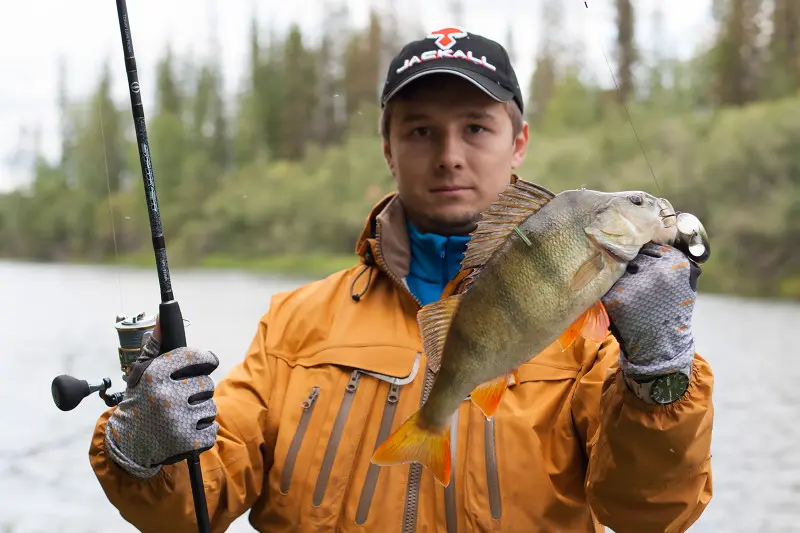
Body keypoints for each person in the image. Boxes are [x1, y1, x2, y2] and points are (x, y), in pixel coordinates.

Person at [88, 28, 714, 533]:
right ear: (387, 147)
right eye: (420, 130)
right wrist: (146, 453)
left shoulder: (596, 333)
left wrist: (660, 376)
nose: (449, 154)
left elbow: (650, 515)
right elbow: (193, 508)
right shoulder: (294, 324)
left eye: (475, 127)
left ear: (518, 142)